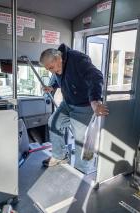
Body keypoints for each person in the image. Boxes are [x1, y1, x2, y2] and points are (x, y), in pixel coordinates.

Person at [40, 43, 109, 173]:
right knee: (53, 123)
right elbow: (58, 76)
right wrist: (52, 87)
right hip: (68, 103)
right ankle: (60, 156)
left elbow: (97, 76)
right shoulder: (58, 65)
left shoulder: (77, 59)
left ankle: (83, 170)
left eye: (51, 67)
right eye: (48, 69)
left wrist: (95, 101)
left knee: (81, 140)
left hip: (84, 106)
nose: (51, 71)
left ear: (57, 58)